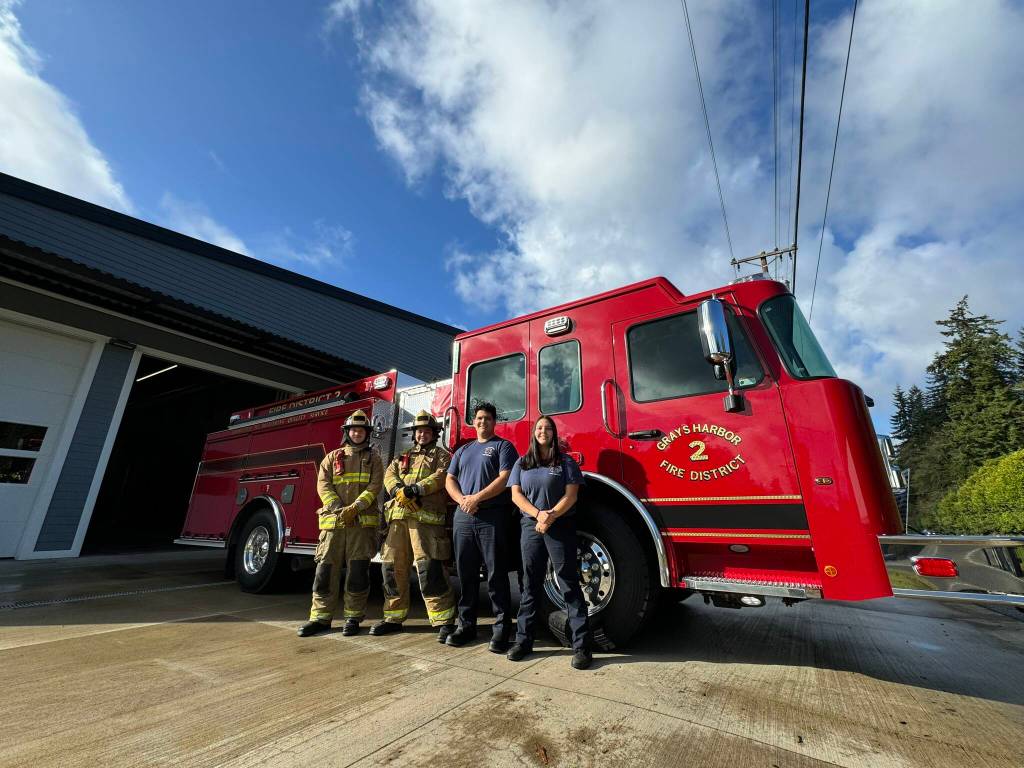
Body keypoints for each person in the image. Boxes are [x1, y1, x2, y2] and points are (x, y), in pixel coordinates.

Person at [507, 416, 592, 669]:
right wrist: (538, 515)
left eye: (548, 428)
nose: (543, 431)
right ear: (534, 433)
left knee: (568, 582)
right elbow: (515, 495)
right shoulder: (522, 463)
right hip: (531, 526)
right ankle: (523, 641)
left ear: (554, 434)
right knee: (529, 584)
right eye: (539, 428)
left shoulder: (564, 462)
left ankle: (582, 647)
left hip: (560, 526)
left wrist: (550, 516)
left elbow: (571, 495)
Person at [371, 410, 457, 641]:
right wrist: (399, 490)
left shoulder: (443, 455)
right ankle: (393, 617)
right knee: (391, 568)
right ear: (414, 434)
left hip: (426, 524)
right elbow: (389, 476)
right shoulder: (402, 457)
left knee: (431, 570)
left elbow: (442, 476)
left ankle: (443, 620)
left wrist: (416, 489)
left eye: (427, 431)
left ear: (434, 434)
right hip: (397, 520)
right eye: (419, 431)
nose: (422, 434)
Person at [297, 409, 383, 638]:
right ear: (347, 432)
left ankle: (353, 618)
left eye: (362, 430)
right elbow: (323, 485)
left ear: (367, 434)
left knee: (357, 573)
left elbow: (375, 487)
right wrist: (338, 509)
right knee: (324, 572)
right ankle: (319, 618)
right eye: (354, 429)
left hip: (360, 525)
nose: (357, 433)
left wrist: (355, 508)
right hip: (333, 525)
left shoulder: (374, 458)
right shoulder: (332, 457)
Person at [444, 401, 519, 652]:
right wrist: (462, 500)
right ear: (473, 422)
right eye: (478, 418)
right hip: (463, 517)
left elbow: (505, 478)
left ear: (494, 422)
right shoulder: (463, 451)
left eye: (487, 418)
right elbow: (449, 479)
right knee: (465, 574)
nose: (482, 422)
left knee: (496, 574)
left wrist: (477, 498)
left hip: (492, 517)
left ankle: (502, 628)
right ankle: (466, 626)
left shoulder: (503, 447)